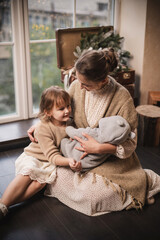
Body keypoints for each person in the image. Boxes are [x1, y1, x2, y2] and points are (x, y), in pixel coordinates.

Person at [28, 48, 160, 216]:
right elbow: (58, 109)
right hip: (79, 153)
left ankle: (144, 181)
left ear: (103, 80)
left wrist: (99, 148)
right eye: (77, 80)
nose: (80, 87)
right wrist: (41, 124)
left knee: (92, 197)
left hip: (109, 160)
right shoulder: (76, 86)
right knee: (53, 175)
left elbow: (131, 143)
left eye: (86, 84)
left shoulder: (122, 97)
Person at [0, 86, 81, 219]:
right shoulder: (43, 128)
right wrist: (68, 161)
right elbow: (53, 155)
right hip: (34, 157)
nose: (67, 111)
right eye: (61, 109)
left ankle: (6, 204)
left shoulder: (70, 124)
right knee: (29, 172)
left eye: (68, 106)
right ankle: (3, 205)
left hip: (48, 162)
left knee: (40, 183)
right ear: (48, 112)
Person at [61, 115, 135, 172]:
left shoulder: (93, 132)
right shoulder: (114, 141)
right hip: (89, 165)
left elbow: (73, 132)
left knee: (63, 142)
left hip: (75, 156)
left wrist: (99, 148)